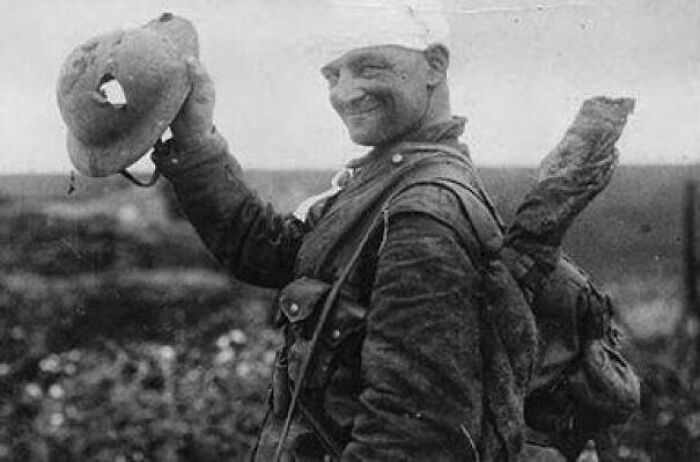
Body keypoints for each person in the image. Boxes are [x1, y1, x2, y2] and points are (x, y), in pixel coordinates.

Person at [152, 40, 536, 461]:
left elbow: (408, 439)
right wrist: (195, 142)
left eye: (369, 68)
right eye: (332, 75)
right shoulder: (383, 181)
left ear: (435, 65)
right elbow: (273, 254)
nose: (344, 93)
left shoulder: (422, 214)